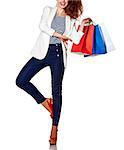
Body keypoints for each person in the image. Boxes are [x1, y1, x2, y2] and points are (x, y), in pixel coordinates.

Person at [15, 0, 91, 145]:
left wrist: (81, 26)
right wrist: (61, 36)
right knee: (21, 80)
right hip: (42, 53)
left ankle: (54, 129)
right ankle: (45, 102)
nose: (63, 1)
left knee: (57, 91)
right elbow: (42, 26)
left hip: (58, 55)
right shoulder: (48, 10)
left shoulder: (71, 18)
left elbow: (74, 39)